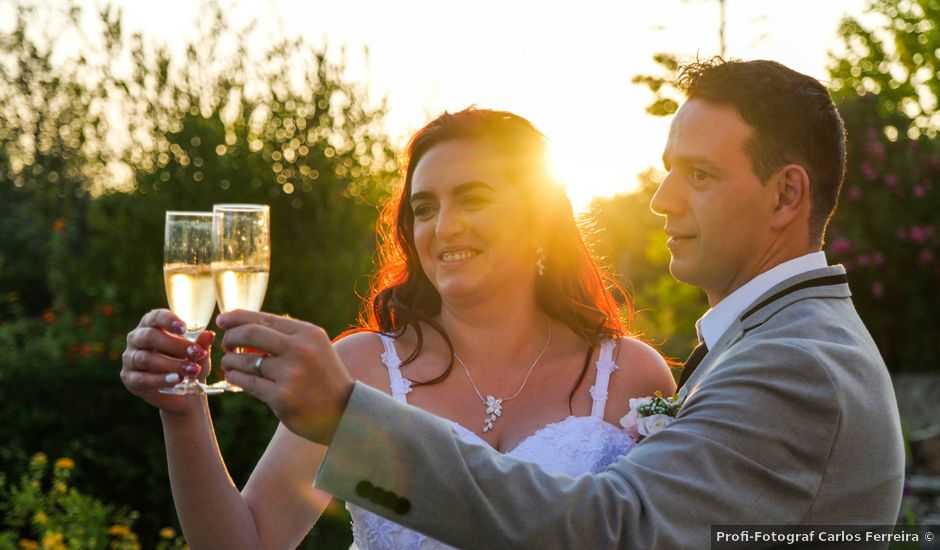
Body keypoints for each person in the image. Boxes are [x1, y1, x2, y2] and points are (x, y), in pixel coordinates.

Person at [213, 59, 906, 547]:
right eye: (669, 171)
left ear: (786, 195)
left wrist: (349, 418)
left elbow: (613, 529)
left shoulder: (796, 363)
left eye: (699, 175)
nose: (662, 200)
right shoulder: (773, 340)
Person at [120, 108, 675, 548]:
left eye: (473, 199)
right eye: (425, 208)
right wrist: (182, 412)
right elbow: (246, 544)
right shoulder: (358, 369)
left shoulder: (629, 376)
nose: (444, 226)